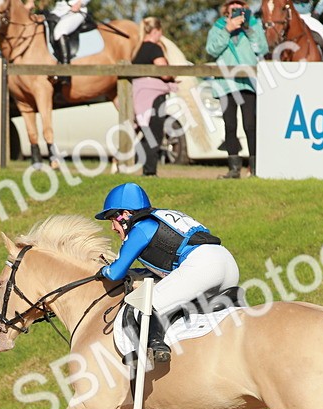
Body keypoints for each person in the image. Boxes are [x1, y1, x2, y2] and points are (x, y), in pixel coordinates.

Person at [94, 183, 240, 363]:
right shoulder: (160, 219)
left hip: (202, 266)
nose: (113, 228)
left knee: (144, 306)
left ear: (124, 215)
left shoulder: (141, 228)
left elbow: (115, 272)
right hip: (227, 262)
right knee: (172, 300)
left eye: (112, 220)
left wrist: (100, 270)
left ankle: (155, 346)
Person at [206, 0, 268, 179]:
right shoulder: (217, 27)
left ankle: (256, 168)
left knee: (250, 124)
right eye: (232, 8)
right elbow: (212, 50)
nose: (236, 10)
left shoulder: (253, 27)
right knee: (230, 125)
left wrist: (248, 29)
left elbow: (262, 49)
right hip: (225, 83)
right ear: (226, 10)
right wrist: (227, 30)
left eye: (239, 7)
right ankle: (234, 169)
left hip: (247, 82)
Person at [132, 17, 176, 177]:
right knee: (155, 133)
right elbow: (164, 72)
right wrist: (172, 75)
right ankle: (150, 170)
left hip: (138, 96)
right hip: (153, 95)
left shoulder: (137, 50)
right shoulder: (154, 49)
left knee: (146, 131)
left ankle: (145, 166)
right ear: (156, 31)